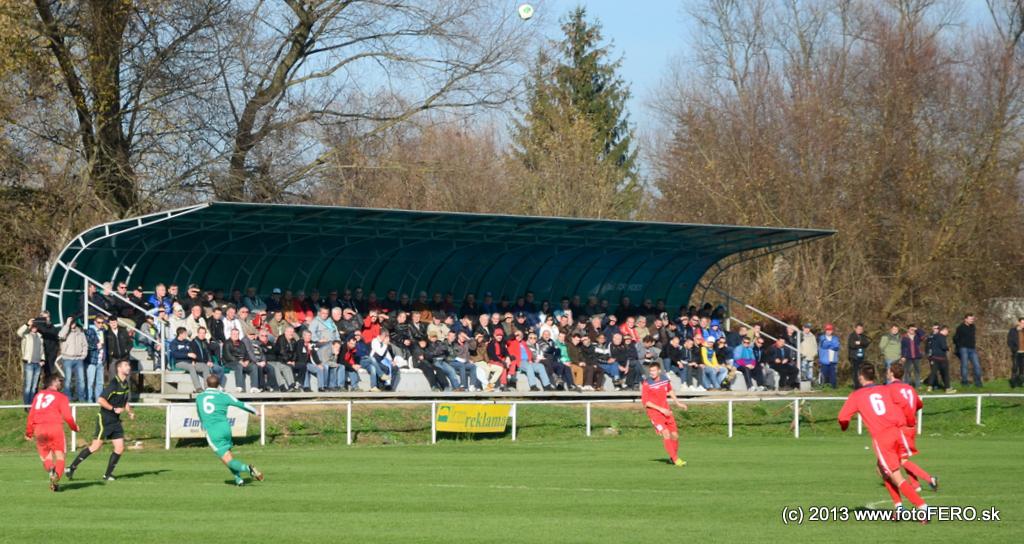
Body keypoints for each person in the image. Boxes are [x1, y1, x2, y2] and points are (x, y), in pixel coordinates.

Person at [837, 364, 928, 514]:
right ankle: (899, 507)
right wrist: (909, 421)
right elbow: (905, 404)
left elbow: (842, 418)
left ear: (860, 377)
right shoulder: (887, 389)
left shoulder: (857, 395)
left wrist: (844, 426)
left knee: (895, 475)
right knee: (881, 470)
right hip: (898, 432)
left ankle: (922, 507)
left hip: (883, 437)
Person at [66, 359, 134, 481]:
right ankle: (71, 468)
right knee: (95, 446)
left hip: (115, 421)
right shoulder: (113, 384)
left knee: (120, 448)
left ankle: (107, 475)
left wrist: (130, 411)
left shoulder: (125, 384)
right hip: (105, 419)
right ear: (119, 369)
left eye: (128, 365)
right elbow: (100, 400)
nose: (128, 367)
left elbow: (124, 401)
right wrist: (113, 409)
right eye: (125, 365)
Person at [195, 375, 264, 486]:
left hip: (213, 432)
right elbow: (241, 404)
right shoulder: (224, 395)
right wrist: (255, 411)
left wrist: (203, 425)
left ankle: (248, 469)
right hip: (225, 428)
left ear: (206, 384)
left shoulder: (199, 397)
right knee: (228, 455)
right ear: (218, 384)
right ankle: (238, 479)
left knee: (226, 458)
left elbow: (199, 412)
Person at [886, 361, 939, 494]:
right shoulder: (909, 388)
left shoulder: (889, 389)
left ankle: (930, 479)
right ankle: (915, 485)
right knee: (903, 457)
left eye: (888, 371)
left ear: (891, 373)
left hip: (901, 428)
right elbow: (919, 404)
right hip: (911, 427)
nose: (887, 373)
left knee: (902, 460)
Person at [25, 374, 79, 491]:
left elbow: (31, 415)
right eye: (59, 381)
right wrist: (74, 427)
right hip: (55, 428)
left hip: (39, 429)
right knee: (60, 457)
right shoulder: (61, 397)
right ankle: (55, 478)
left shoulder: (38, 395)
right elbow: (67, 416)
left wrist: (29, 432)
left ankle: (50, 469)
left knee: (46, 457)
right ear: (53, 382)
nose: (61, 383)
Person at [641, 362, 688, 467]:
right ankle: (676, 459)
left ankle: (672, 457)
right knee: (666, 433)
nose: (652, 373)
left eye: (654, 370)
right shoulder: (647, 383)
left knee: (675, 435)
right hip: (654, 413)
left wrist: (678, 403)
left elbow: (670, 391)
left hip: (666, 411)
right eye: (650, 371)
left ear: (659, 371)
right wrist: (661, 409)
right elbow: (645, 402)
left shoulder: (664, 379)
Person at [58, 317, 89, 402]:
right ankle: (68, 398)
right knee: (68, 380)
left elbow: (85, 345)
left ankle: (81, 398)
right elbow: (60, 336)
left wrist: (83, 355)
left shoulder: (80, 332)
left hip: (79, 359)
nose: (72, 324)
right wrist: (67, 324)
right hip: (67, 359)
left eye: (73, 322)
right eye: (71, 322)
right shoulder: (64, 330)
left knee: (81, 380)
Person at [18, 318, 45, 406]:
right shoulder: (26, 335)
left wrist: (42, 359)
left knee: (34, 387)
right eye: (33, 326)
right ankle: (27, 405)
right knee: (28, 386)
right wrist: (27, 324)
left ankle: (32, 405)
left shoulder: (40, 337)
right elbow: (19, 332)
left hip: (38, 364)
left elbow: (42, 350)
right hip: (29, 363)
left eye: (35, 327)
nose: (34, 328)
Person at [953, 314, 982, 387]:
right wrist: (960, 346)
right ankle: (964, 381)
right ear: (965, 319)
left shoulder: (973, 327)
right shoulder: (960, 328)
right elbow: (955, 338)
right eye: (970, 319)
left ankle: (978, 382)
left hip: (972, 348)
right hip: (963, 348)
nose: (972, 320)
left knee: (977, 365)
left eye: (972, 319)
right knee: (965, 365)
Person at [927, 326, 954, 393]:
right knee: (945, 373)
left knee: (933, 373)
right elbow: (943, 346)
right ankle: (947, 388)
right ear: (944, 330)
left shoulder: (934, 336)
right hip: (942, 358)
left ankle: (929, 387)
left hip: (934, 357)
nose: (947, 333)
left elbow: (930, 346)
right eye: (947, 331)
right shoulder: (942, 337)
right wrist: (948, 348)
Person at [847, 324, 871, 389]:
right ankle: (856, 385)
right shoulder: (852, 336)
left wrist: (859, 343)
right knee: (855, 371)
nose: (859, 330)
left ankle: (860, 384)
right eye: (858, 329)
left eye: (861, 329)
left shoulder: (863, 336)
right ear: (855, 329)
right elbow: (852, 345)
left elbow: (866, 343)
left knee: (861, 371)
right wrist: (860, 344)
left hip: (861, 357)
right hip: (854, 357)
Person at [817, 324, 840, 388]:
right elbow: (824, 345)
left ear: (832, 331)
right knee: (824, 374)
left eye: (830, 330)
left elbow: (836, 346)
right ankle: (822, 387)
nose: (828, 331)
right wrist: (832, 344)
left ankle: (833, 387)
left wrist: (829, 345)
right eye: (827, 330)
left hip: (833, 359)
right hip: (824, 359)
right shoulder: (822, 338)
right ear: (825, 330)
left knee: (833, 375)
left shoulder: (835, 338)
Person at [1009, 317, 1024, 388]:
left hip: (1023, 353)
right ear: (1018, 323)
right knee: (1015, 368)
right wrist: (1014, 349)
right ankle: (1013, 384)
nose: (1023, 325)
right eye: (1022, 323)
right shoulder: (1013, 331)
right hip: (1016, 353)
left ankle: (1020, 383)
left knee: (1022, 369)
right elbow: (1009, 341)